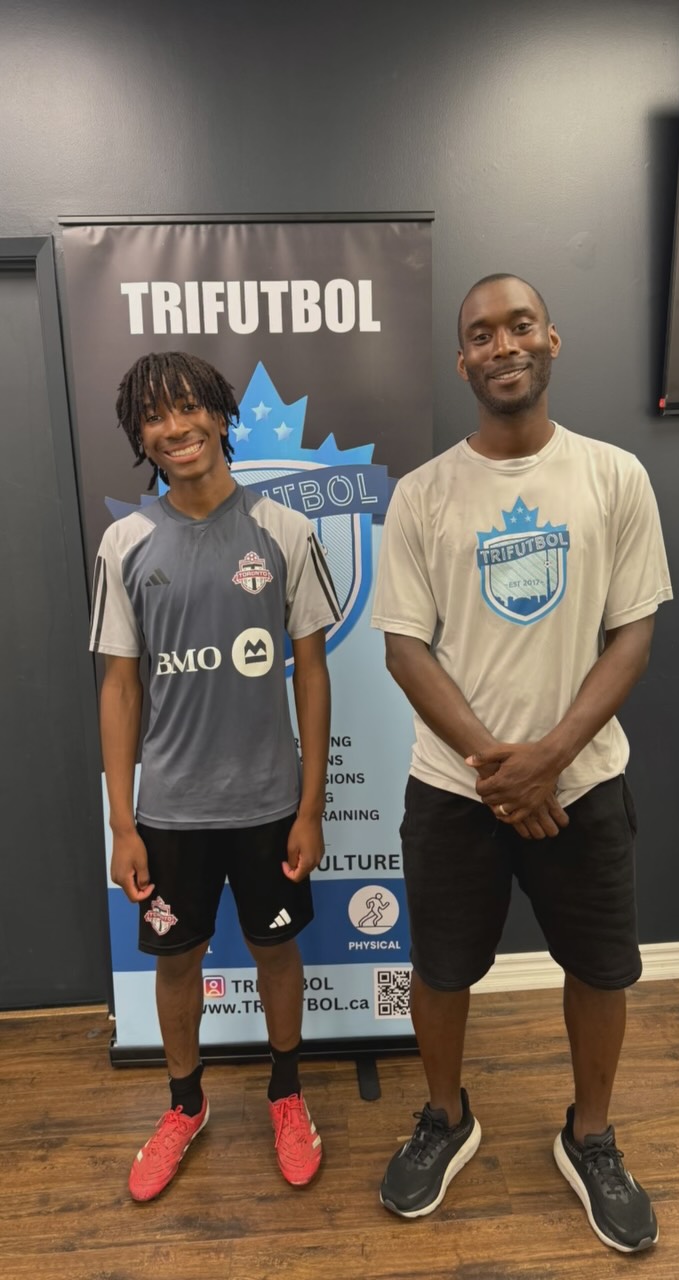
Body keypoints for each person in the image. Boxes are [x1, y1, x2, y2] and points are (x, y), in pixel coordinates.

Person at [370, 275, 672, 1253]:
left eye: (520, 325)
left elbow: (632, 635)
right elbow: (405, 647)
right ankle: (446, 1116)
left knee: (602, 969)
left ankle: (592, 1135)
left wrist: (548, 759)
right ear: (462, 359)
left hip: (582, 783)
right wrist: (500, 770)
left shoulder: (615, 476)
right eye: (481, 333)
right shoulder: (422, 494)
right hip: (454, 789)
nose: (502, 344)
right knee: (441, 968)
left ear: (551, 339)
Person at [89, 351, 340, 1202]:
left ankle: (286, 1094)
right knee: (176, 962)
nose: (175, 427)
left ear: (221, 414)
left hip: (269, 804)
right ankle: (185, 1105)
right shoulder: (125, 543)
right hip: (170, 813)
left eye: (188, 406)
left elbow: (312, 673)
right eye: (153, 416)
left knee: (277, 950)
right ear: (140, 437)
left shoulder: (285, 531)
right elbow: (120, 687)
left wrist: (311, 807)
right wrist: (123, 822)